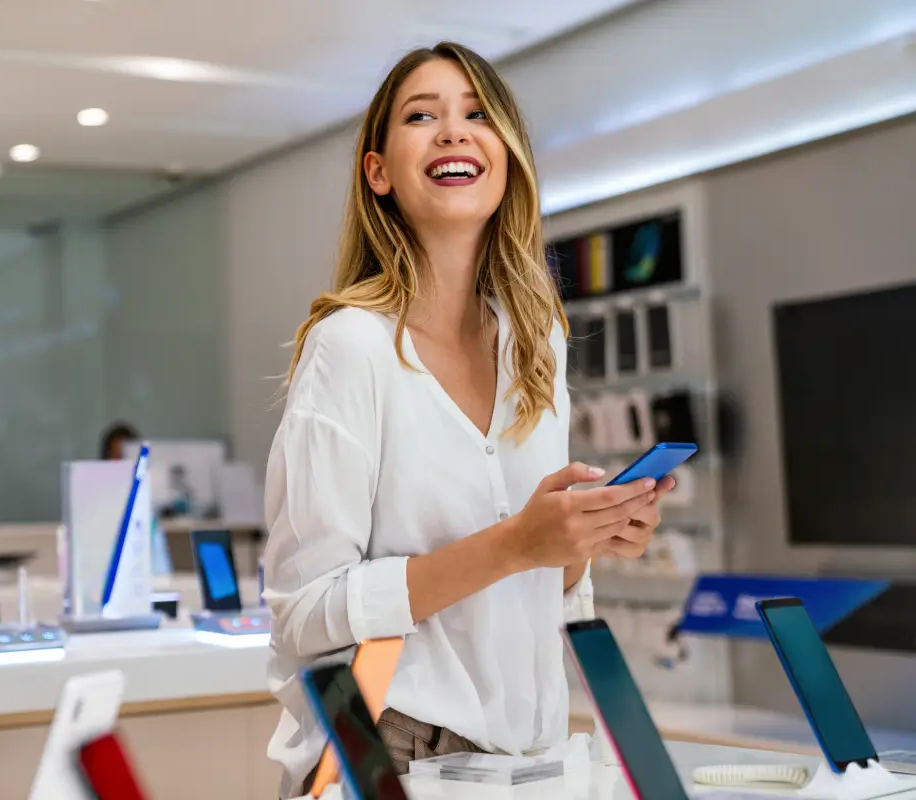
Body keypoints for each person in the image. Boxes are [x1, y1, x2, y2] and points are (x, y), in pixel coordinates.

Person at [261, 42, 674, 798]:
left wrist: (578, 540)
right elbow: (305, 613)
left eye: (478, 114)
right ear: (378, 171)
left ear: (507, 157)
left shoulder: (535, 339)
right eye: (423, 116)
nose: (455, 130)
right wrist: (516, 543)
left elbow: (538, 590)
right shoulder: (350, 346)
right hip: (390, 748)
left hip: (530, 750)